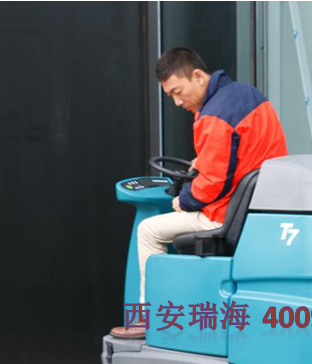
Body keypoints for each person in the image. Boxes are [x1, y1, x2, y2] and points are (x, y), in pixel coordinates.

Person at [111, 48, 288, 338]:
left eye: (178, 92)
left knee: (148, 230)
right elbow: (242, 153)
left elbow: (214, 183)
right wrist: (202, 163)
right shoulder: (249, 95)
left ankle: (146, 319)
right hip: (258, 208)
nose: (178, 102)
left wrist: (185, 199)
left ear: (197, 76)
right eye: (171, 96)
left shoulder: (214, 114)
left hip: (225, 214)